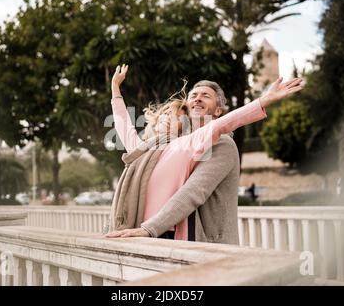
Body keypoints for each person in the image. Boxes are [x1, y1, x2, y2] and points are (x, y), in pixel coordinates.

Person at [106, 64, 304, 243]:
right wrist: (115, 89)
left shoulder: (203, 143)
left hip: (185, 237)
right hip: (151, 231)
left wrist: (264, 100)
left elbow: (193, 190)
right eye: (193, 95)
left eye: (205, 96)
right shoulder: (154, 150)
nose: (197, 98)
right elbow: (125, 130)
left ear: (218, 110)